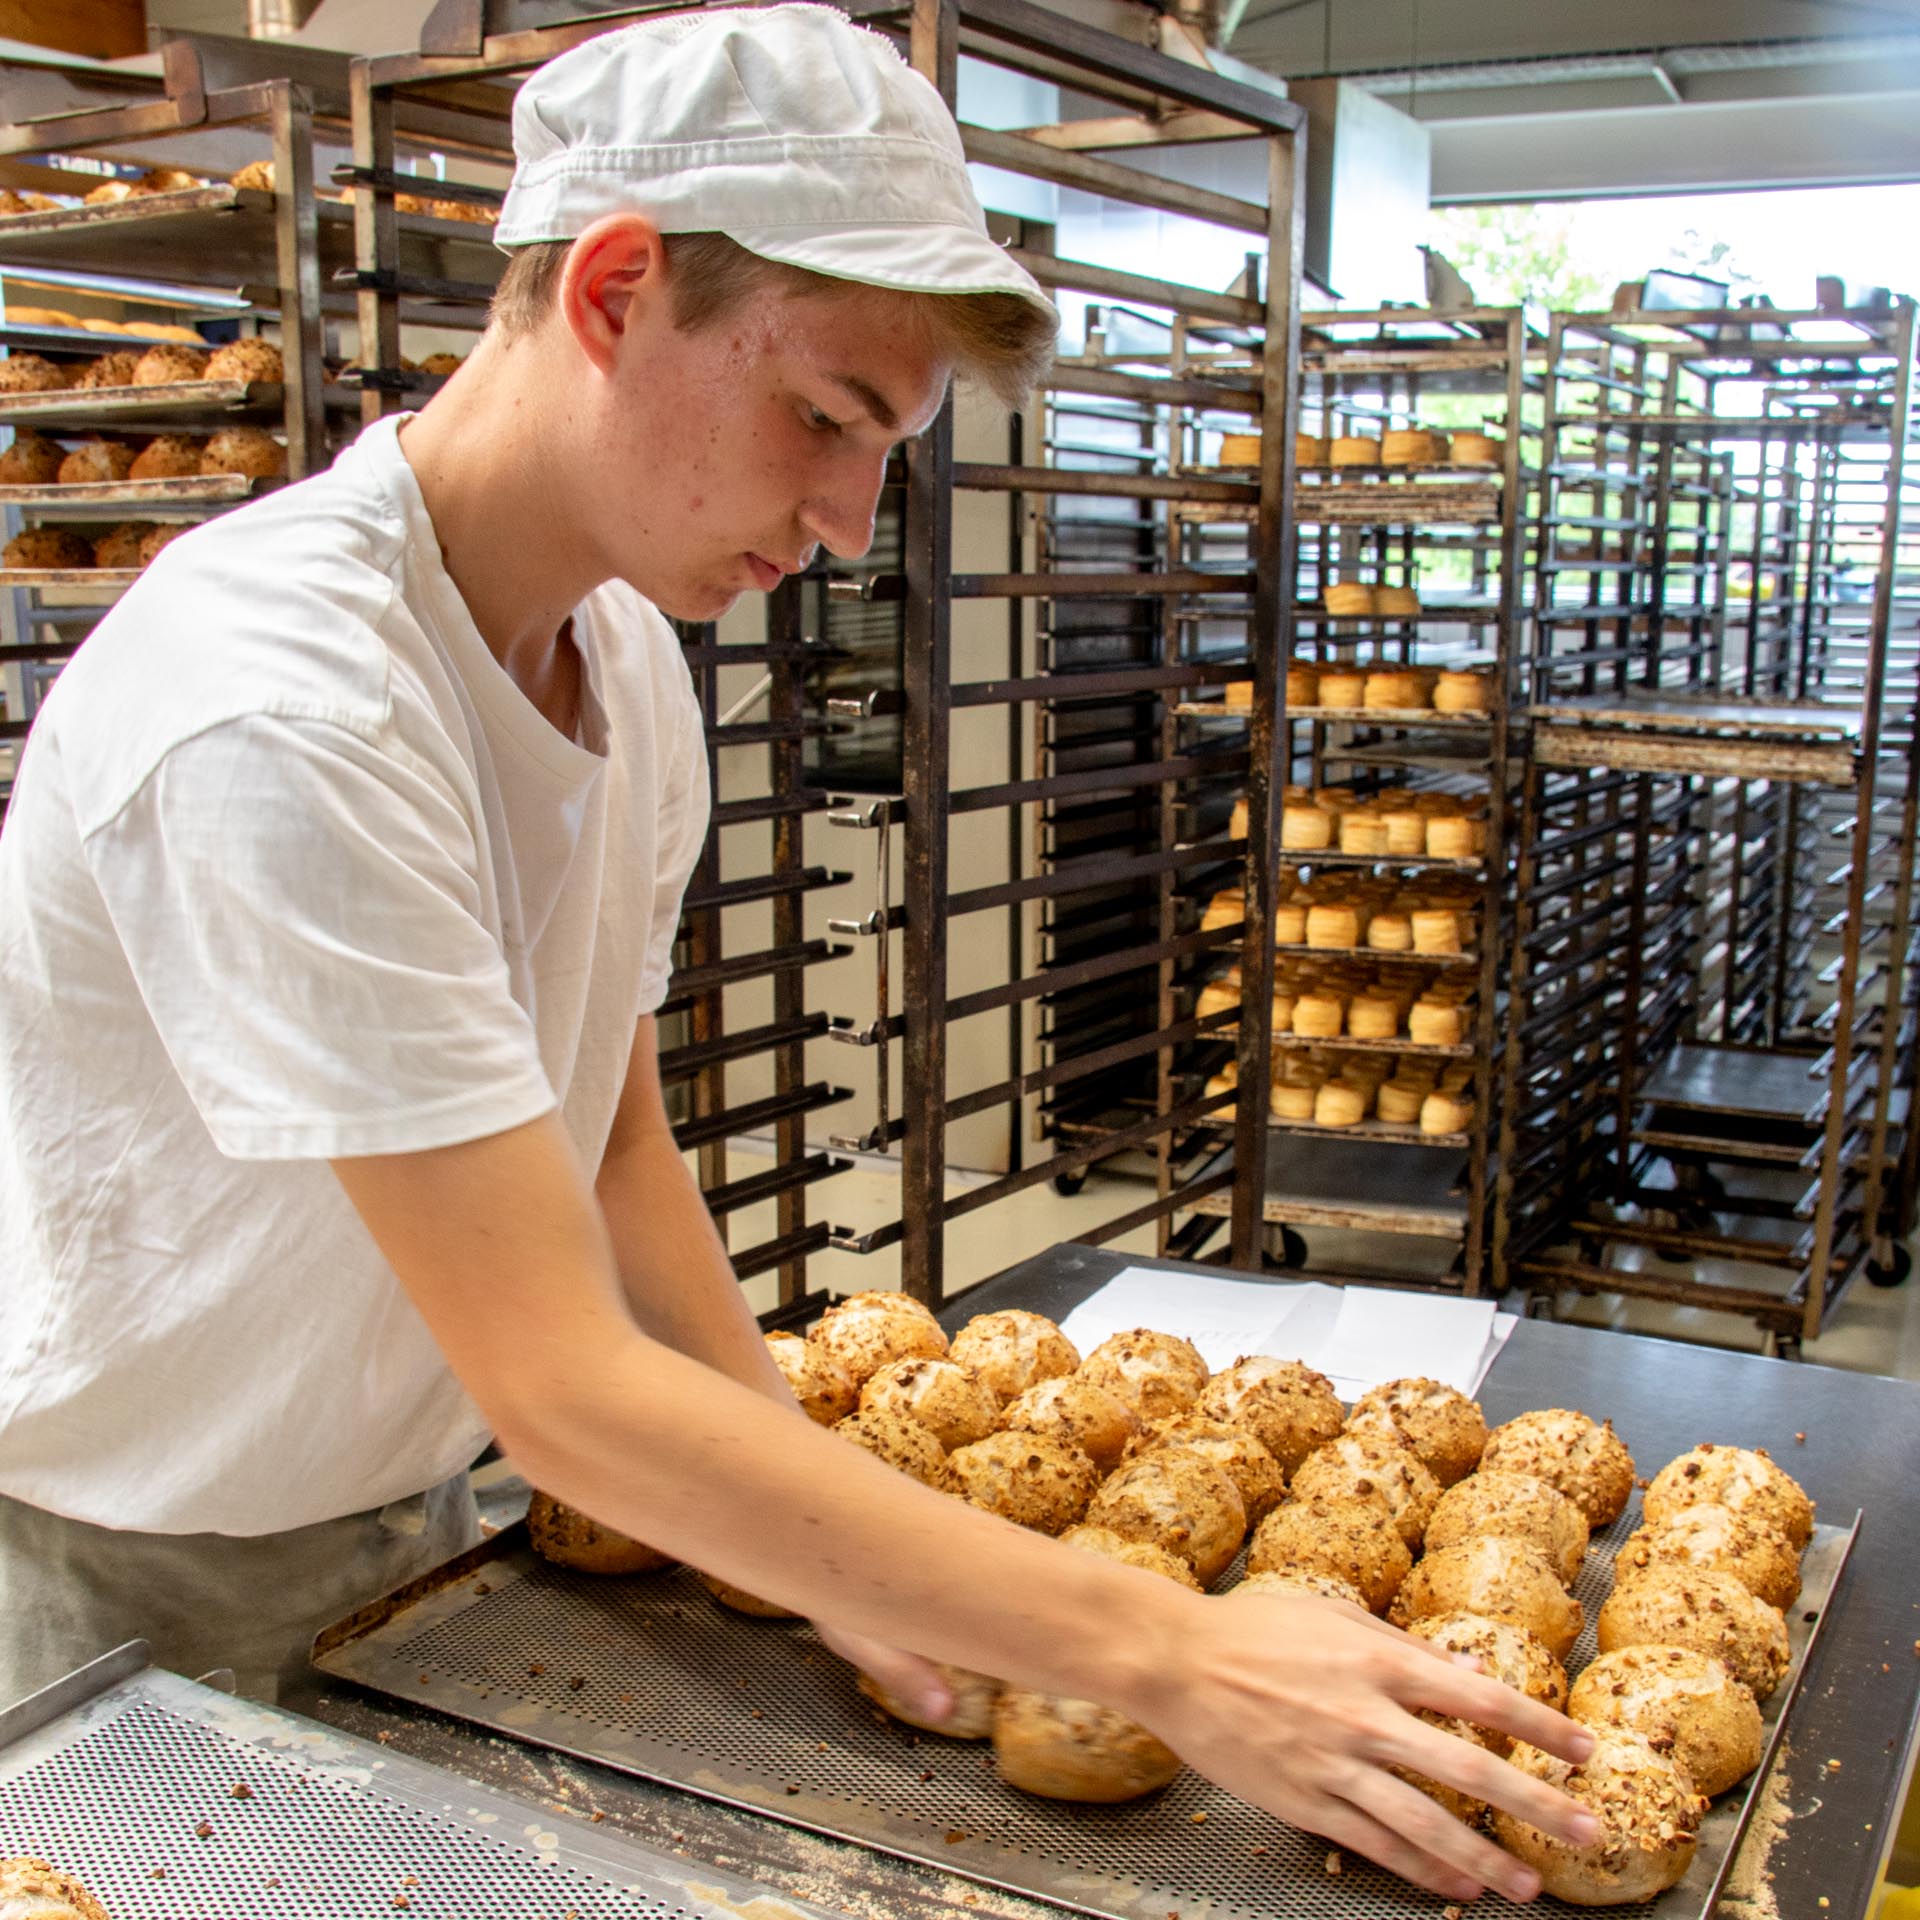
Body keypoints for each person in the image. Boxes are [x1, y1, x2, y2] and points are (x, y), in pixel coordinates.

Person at [0, 6, 1598, 1900]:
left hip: (421, 1518)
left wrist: (815, 1546)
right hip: (141, 1576)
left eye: (889, 453)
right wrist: (1168, 1648)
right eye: (826, 419)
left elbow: (609, 1150)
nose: (847, 525)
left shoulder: (625, 671)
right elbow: (566, 1379)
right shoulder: (283, 706)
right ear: (613, 291)